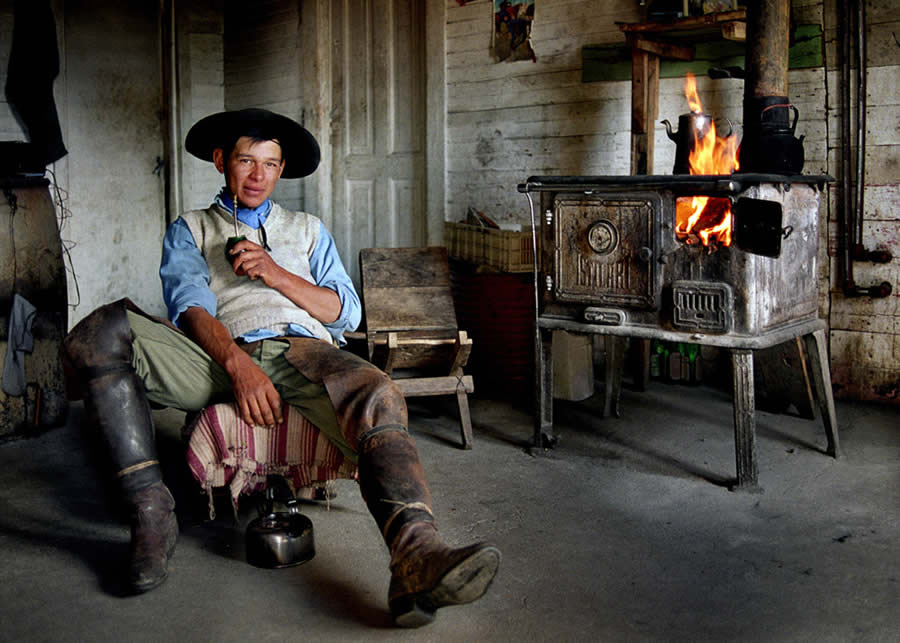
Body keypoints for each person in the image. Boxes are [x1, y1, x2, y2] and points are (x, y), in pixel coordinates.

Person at [62, 108, 500, 628]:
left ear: (282, 169)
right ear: (223, 161)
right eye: (246, 160)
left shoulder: (307, 230)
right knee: (101, 330)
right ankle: (151, 515)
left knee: (378, 392)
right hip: (218, 356)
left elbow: (346, 311)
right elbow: (191, 306)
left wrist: (274, 272)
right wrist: (236, 366)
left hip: (303, 352)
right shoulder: (191, 229)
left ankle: (416, 556)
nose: (257, 175)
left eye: (270, 165)